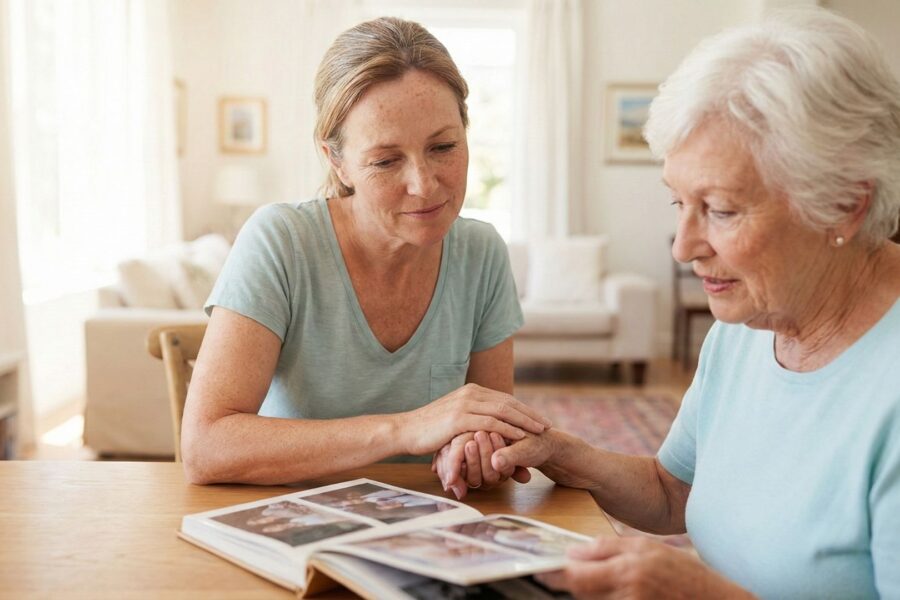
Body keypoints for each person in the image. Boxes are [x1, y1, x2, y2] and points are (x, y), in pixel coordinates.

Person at [440, 9, 900, 598]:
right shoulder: (748, 327)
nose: (684, 247)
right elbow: (673, 492)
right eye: (677, 203)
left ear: (843, 205)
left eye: (723, 209)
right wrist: (563, 452)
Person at [180, 16, 551, 486]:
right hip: (288, 523)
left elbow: (488, 424)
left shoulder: (481, 253)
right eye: (385, 160)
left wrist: (475, 445)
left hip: (429, 524)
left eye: (443, 147)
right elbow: (204, 448)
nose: (423, 185)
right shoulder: (281, 242)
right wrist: (404, 429)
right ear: (337, 160)